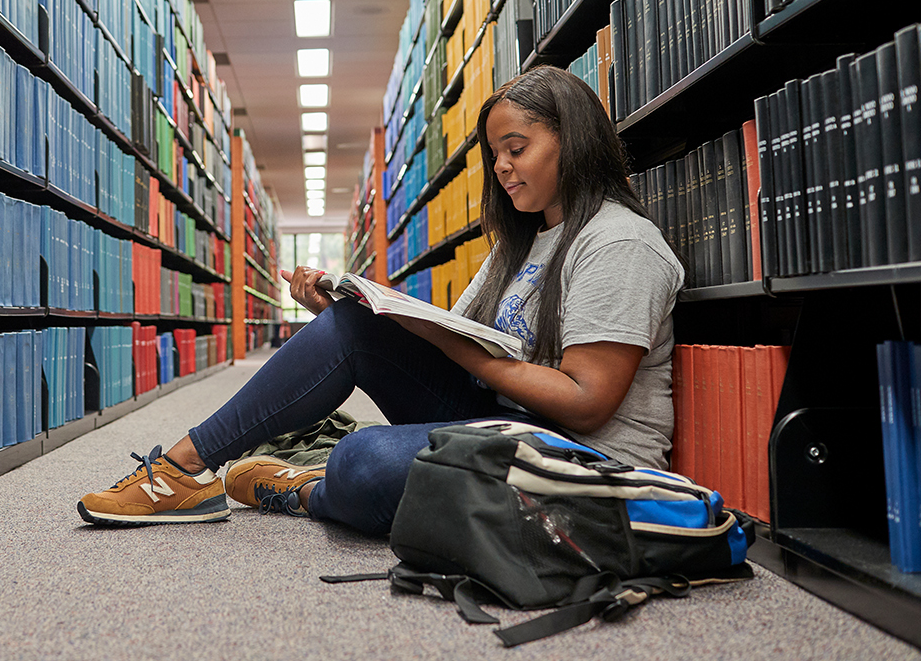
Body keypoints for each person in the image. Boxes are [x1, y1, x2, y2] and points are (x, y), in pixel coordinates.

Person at [77, 66, 685, 535]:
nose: (500, 166)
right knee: (352, 326)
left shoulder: (620, 243)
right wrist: (352, 315)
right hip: (505, 420)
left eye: (517, 148)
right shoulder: (521, 243)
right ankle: (184, 470)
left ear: (572, 142)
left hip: (581, 463)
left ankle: (305, 490)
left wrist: (464, 352)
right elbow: (456, 334)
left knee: (363, 458)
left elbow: (585, 403)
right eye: (494, 152)